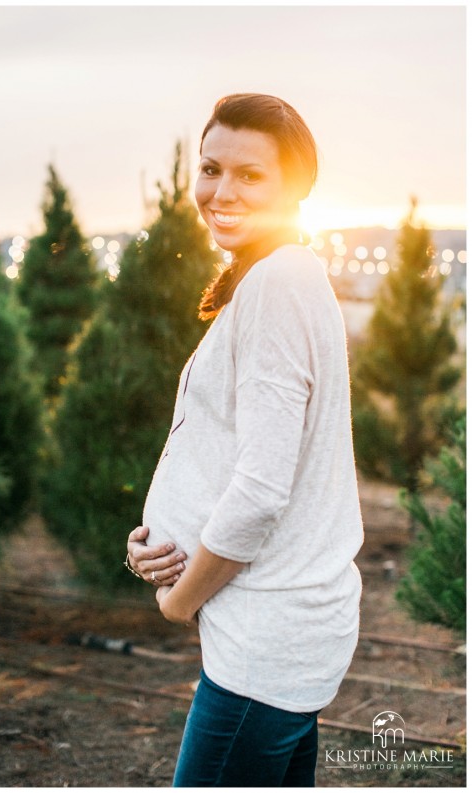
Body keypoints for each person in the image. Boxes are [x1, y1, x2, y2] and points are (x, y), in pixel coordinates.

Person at [125, 93, 363, 787]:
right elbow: (229, 457)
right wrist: (156, 544)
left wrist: (178, 599)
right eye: (209, 168)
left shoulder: (278, 284)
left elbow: (261, 488)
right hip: (277, 639)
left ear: (293, 189)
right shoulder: (275, 277)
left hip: (264, 647)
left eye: (250, 175)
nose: (221, 191)